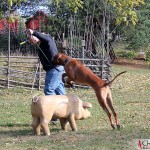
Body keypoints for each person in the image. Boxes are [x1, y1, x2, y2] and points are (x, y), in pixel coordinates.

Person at [26, 29, 66, 96]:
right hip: (57, 69)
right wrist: (32, 36)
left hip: (54, 69)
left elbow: (45, 37)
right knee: (59, 90)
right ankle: (66, 105)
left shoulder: (47, 38)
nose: (32, 42)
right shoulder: (42, 44)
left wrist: (33, 32)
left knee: (48, 90)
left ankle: (52, 106)